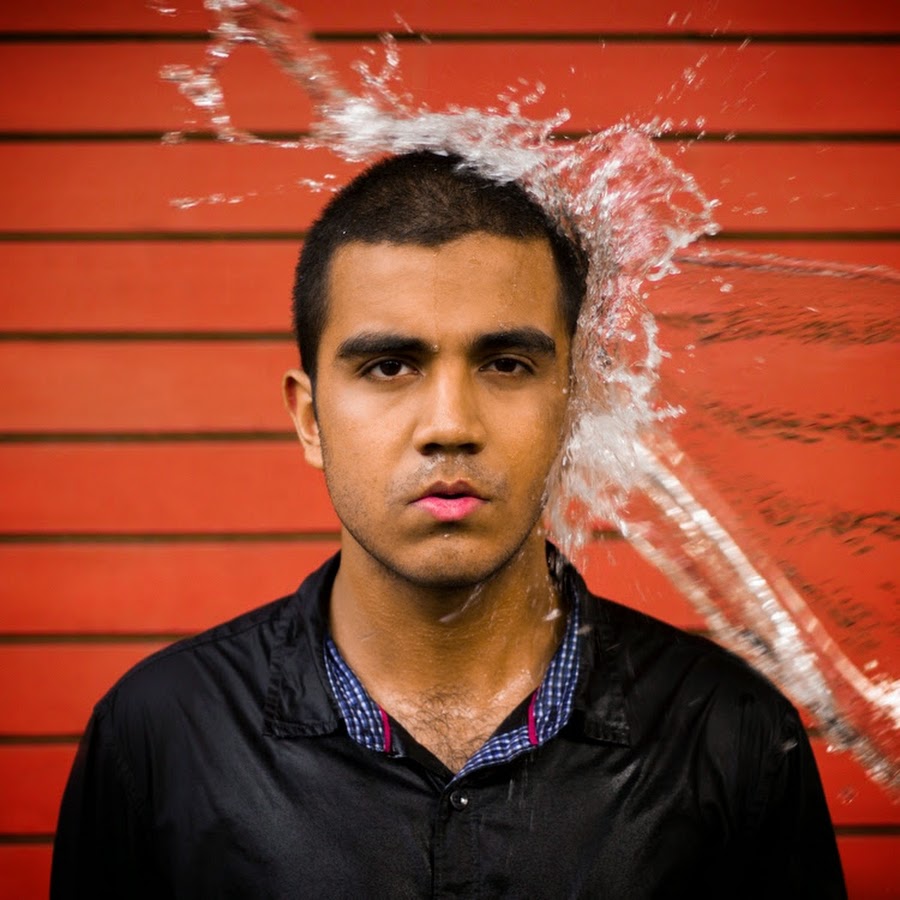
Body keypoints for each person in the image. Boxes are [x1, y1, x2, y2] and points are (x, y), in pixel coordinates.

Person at [51, 151, 846, 898]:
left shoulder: (730, 735)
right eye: (389, 366)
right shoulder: (159, 737)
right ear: (310, 419)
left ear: (574, 405)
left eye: (506, 365)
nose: (450, 425)